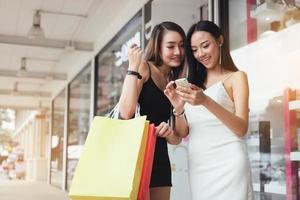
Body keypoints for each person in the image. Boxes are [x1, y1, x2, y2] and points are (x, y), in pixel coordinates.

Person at [164, 20, 253, 200]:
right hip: (199, 165)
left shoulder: (236, 78)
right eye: (195, 50)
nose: (200, 54)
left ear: (220, 41)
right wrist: (178, 108)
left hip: (230, 163)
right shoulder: (190, 85)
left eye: (205, 46)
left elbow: (241, 128)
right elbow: (182, 132)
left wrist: (205, 100)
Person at [118, 21, 185, 200]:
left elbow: (177, 138)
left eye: (181, 46)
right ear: (158, 47)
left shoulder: (174, 80)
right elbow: (125, 112)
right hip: (135, 154)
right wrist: (132, 66)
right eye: (170, 46)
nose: (178, 52)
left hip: (160, 156)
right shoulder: (144, 67)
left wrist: (169, 132)